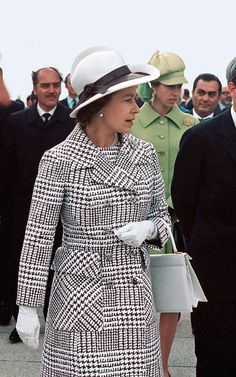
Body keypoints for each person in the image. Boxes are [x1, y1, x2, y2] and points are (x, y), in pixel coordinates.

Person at [15, 46, 171, 377]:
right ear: (100, 106)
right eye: (128, 99)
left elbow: (164, 216)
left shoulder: (143, 154)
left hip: (133, 298)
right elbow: (38, 235)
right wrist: (27, 304)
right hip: (80, 298)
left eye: (135, 98)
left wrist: (149, 228)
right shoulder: (59, 160)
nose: (137, 107)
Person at [132, 49, 198, 377]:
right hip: (135, 226)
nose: (176, 92)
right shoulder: (129, 124)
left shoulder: (192, 124)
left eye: (179, 86)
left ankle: (162, 366)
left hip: (177, 227)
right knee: (136, 298)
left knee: (171, 298)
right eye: (169, 85)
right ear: (153, 86)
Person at [0, 66, 75, 343]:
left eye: (56, 85)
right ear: (35, 88)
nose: (52, 90)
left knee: (59, 266)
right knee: (23, 263)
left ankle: (57, 323)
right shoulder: (17, 122)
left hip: (63, 210)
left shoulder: (72, 122)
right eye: (45, 85)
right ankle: (22, 321)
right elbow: (6, 169)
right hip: (23, 208)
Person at [171, 57, 236, 377]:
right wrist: (208, 241)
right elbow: (184, 199)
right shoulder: (202, 138)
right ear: (232, 90)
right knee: (215, 349)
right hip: (215, 263)